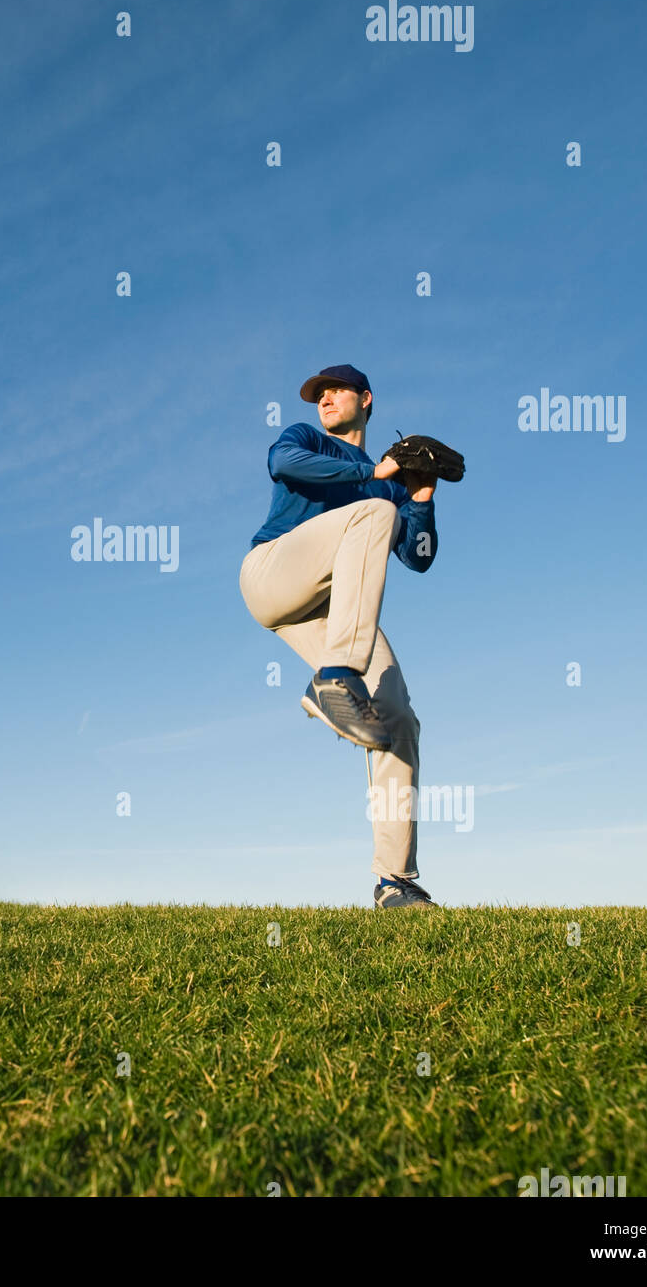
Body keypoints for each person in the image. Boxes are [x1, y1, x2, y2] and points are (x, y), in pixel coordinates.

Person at [239, 364, 444, 910]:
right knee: (372, 510)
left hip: (331, 612)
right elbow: (282, 463)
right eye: (318, 394)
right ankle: (335, 677)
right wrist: (378, 475)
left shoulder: (390, 488)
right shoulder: (307, 439)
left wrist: (420, 497)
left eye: (337, 390)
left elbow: (417, 559)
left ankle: (394, 882)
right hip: (272, 574)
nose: (324, 399)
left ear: (366, 399)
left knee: (397, 715)